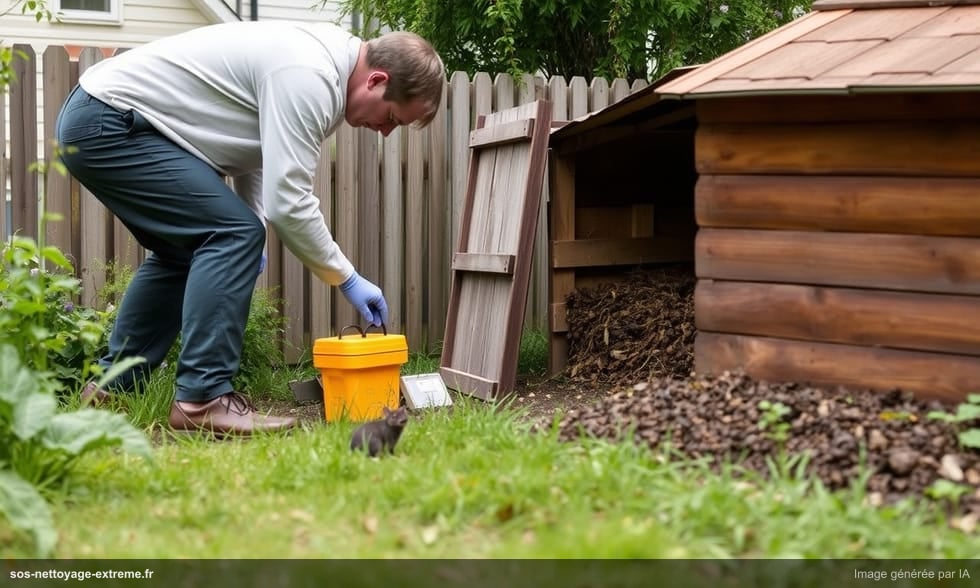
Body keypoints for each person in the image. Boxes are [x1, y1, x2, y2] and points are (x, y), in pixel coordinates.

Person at [55, 20, 445, 437]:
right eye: (391, 118)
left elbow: (257, 155)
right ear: (377, 79)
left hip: (102, 117)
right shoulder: (310, 75)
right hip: (111, 121)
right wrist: (345, 277)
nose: (385, 132)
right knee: (229, 233)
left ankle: (112, 391)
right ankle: (202, 399)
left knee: (184, 252)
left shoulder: (325, 67)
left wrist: (249, 223)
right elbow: (289, 203)